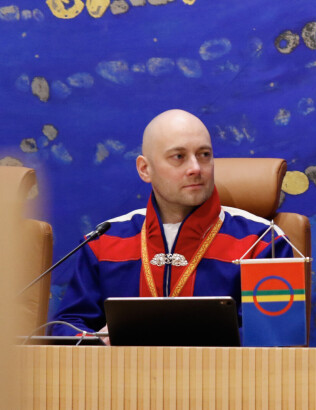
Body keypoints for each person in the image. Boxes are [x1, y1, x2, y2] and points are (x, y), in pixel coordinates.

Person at [51, 109, 292, 338]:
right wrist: (95, 341)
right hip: (124, 379)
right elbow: (67, 326)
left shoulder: (264, 242)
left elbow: (276, 339)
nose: (196, 168)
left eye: (204, 155)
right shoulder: (104, 241)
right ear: (145, 169)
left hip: (223, 380)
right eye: (179, 157)